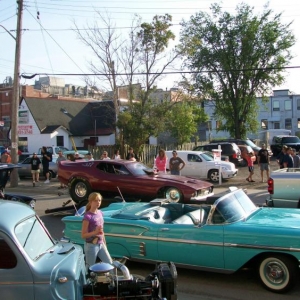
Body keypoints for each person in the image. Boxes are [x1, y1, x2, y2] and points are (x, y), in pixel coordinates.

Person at [81, 192, 112, 272]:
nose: (98, 202)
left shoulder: (100, 213)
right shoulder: (88, 216)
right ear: (91, 202)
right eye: (96, 200)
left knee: (109, 264)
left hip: (101, 244)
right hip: (91, 246)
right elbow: (83, 235)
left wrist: (104, 243)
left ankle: (112, 282)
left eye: (99, 200)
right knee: (90, 268)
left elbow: (102, 231)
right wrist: (94, 232)